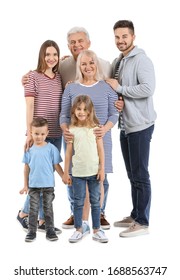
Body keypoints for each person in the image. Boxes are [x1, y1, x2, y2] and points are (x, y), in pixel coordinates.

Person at [21, 27, 119, 230]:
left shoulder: (104, 65)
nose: (77, 45)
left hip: (92, 133)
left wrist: (121, 97)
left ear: (88, 42)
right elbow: (41, 81)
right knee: (70, 171)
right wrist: (27, 76)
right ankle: (73, 213)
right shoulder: (63, 66)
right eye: (72, 42)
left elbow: (114, 92)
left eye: (80, 41)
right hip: (60, 130)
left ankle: (99, 212)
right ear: (68, 47)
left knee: (100, 172)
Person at [106, 20, 157, 237]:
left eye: (124, 36)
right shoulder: (119, 61)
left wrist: (121, 89)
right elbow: (119, 92)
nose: (120, 41)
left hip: (140, 125)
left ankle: (142, 222)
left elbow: (148, 88)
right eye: (117, 37)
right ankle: (136, 214)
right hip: (125, 125)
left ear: (133, 37)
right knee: (132, 174)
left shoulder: (142, 60)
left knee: (140, 174)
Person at [60, 49, 119, 236]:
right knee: (79, 180)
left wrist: (105, 128)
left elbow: (114, 112)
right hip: (76, 139)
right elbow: (63, 114)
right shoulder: (71, 87)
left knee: (99, 178)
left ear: (97, 64)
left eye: (91, 63)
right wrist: (65, 130)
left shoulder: (106, 87)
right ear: (79, 66)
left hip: (101, 138)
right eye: (84, 64)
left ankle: (97, 222)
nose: (88, 67)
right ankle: (82, 224)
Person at [17, 40, 63, 234]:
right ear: (41, 56)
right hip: (38, 135)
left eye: (55, 54)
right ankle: (24, 213)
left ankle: (43, 219)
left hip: (56, 132)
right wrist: (29, 133)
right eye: (47, 55)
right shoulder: (33, 77)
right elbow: (29, 106)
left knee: (47, 178)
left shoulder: (59, 77)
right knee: (39, 179)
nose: (51, 58)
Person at [62, 95, 108, 243]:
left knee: (95, 202)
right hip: (78, 174)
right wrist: (65, 172)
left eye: (84, 109)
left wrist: (102, 169)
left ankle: (97, 230)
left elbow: (101, 151)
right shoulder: (71, 129)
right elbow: (68, 153)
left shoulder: (96, 129)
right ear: (74, 110)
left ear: (90, 111)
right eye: (78, 109)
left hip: (94, 172)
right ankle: (79, 229)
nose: (81, 112)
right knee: (78, 202)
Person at [19, 117, 64, 242]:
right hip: (33, 186)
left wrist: (64, 177)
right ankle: (31, 232)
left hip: (48, 186)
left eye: (42, 134)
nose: (39, 137)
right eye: (36, 134)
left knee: (48, 209)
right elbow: (26, 168)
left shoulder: (51, 149)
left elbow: (56, 165)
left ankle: (50, 231)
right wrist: (25, 185)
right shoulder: (29, 150)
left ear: (47, 133)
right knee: (33, 210)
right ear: (31, 133)